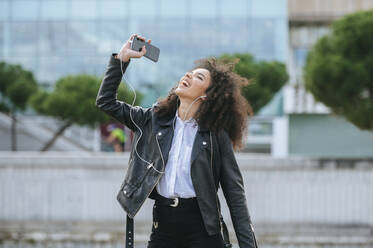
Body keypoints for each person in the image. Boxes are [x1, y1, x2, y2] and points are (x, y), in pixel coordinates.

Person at [96, 34, 258, 248]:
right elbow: (106, 102)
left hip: (203, 229)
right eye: (190, 73)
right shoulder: (153, 119)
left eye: (199, 78)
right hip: (163, 226)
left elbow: (235, 197)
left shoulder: (215, 135)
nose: (188, 76)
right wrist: (122, 59)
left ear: (208, 95)